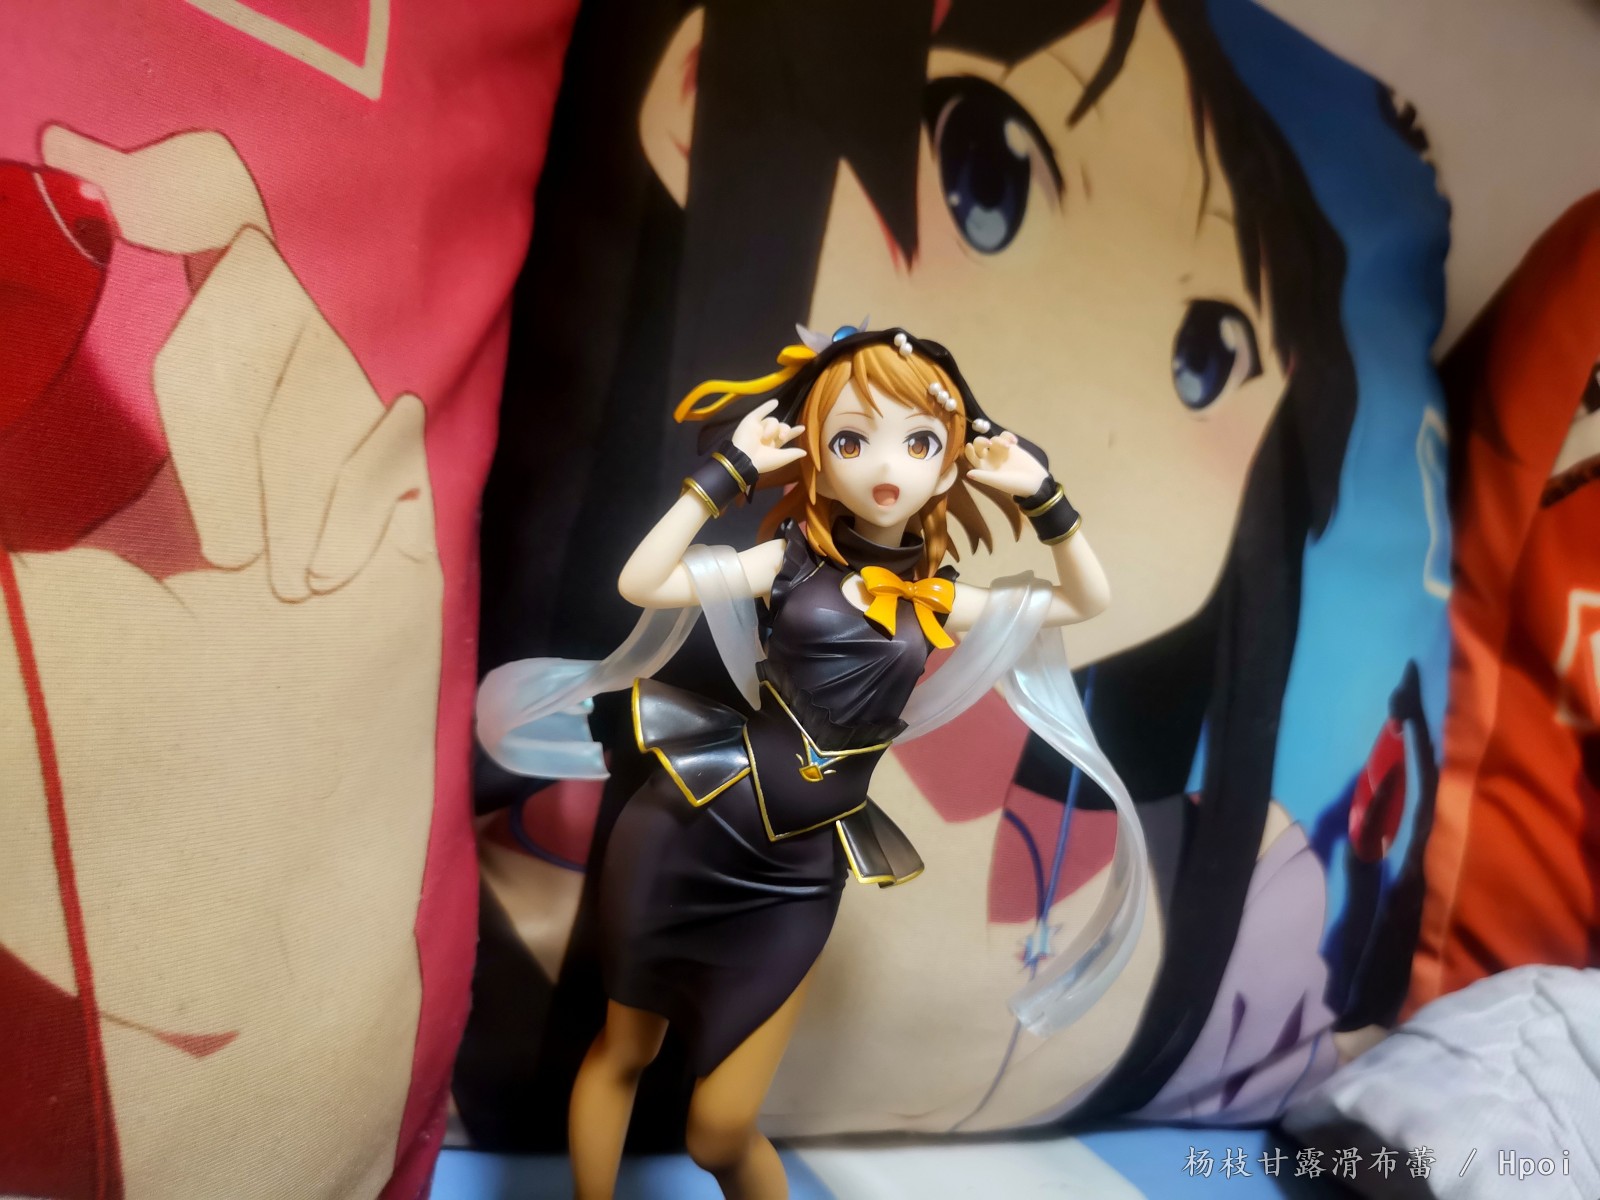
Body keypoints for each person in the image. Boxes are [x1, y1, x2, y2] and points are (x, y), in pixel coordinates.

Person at [478, 326, 1144, 1198]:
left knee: (720, 1129)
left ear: (950, 463)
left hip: (796, 873)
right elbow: (642, 583)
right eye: (853, 440)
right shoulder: (787, 563)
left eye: (918, 442)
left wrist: (1044, 495)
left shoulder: (942, 598)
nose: (887, 466)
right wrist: (728, 474)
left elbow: (1086, 600)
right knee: (623, 1048)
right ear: (820, 460)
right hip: (687, 831)